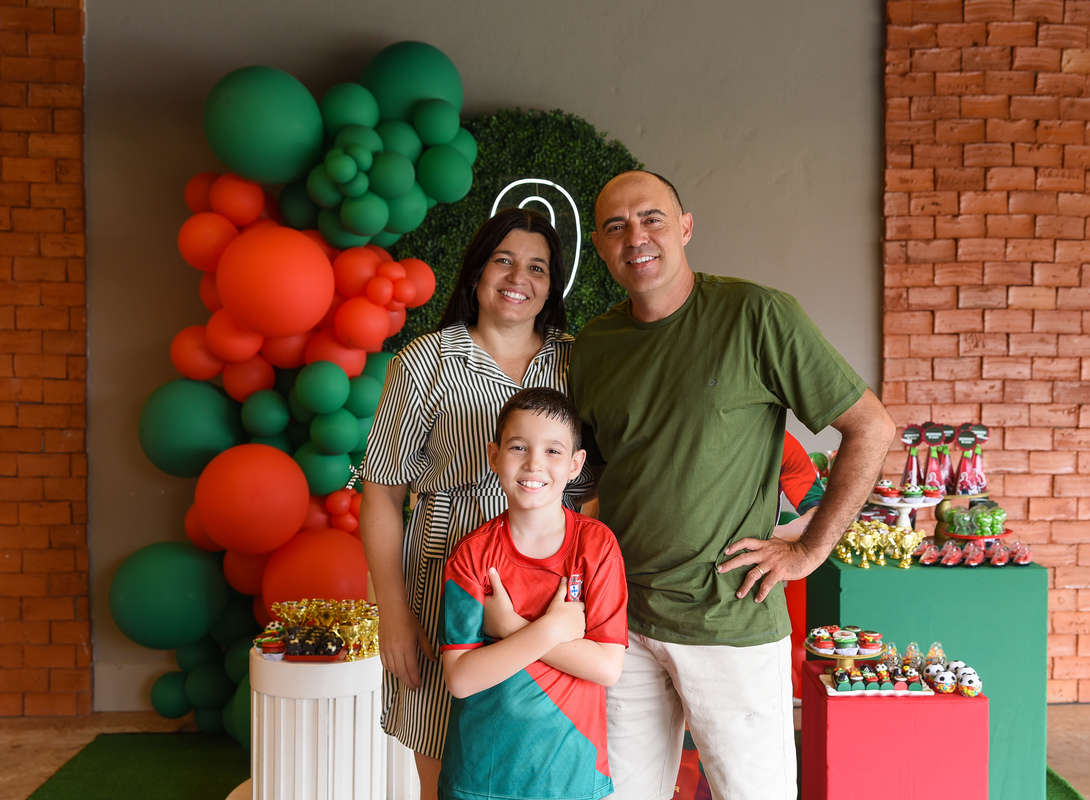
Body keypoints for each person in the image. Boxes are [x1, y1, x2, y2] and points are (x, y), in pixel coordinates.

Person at [569, 170, 895, 800]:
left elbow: (871, 427)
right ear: (602, 248)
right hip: (623, 622)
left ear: (685, 227)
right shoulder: (596, 346)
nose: (636, 236)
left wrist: (809, 550)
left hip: (730, 618)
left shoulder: (756, 315)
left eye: (652, 218)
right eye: (615, 226)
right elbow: (597, 472)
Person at [359, 208, 585, 800]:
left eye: (537, 267)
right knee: (447, 761)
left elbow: (593, 489)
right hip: (444, 588)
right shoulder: (424, 363)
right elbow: (381, 492)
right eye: (503, 260)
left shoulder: (578, 361)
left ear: (552, 286)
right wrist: (393, 613)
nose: (518, 278)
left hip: (547, 591)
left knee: (543, 759)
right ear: (477, 271)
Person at [439, 387, 627, 800]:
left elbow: (606, 667)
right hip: (481, 779)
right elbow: (461, 679)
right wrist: (551, 630)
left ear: (576, 464)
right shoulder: (472, 554)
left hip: (571, 776)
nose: (534, 463)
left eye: (553, 451)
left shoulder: (596, 546)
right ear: (494, 456)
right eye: (518, 447)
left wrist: (510, 626)